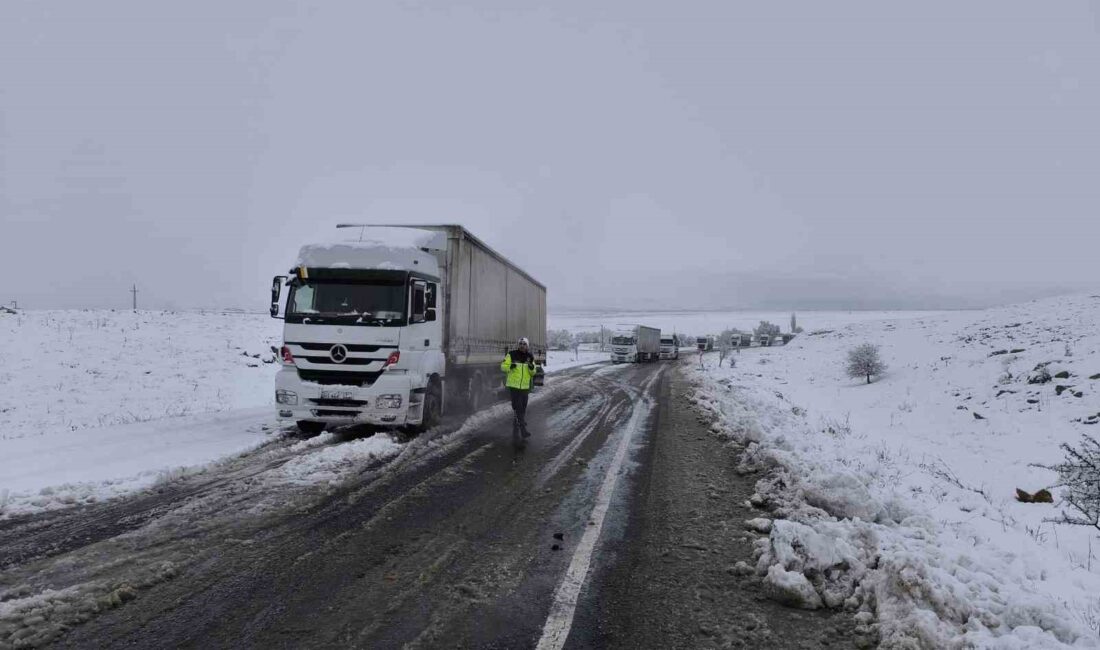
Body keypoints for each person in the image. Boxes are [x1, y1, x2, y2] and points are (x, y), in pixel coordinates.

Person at [501, 337, 537, 446]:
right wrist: (509, 366)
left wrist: (531, 367)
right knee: (518, 407)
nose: (522, 346)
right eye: (520, 344)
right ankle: (523, 430)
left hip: (524, 387)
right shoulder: (511, 355)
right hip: (514, 387)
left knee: (523, 407)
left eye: (524, 344)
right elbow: (503, 366)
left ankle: (517, 422)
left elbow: (533, 372)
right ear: (518, 345)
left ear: (527, 346)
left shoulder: (530, 357)